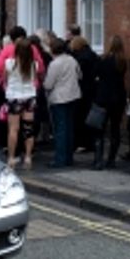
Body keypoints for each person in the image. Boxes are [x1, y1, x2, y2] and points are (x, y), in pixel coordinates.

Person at [94, 35, 130, 169]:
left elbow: (96, 75)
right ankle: (111, 160)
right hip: (118, 97)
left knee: (99, 129)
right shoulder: (122, 61)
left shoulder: (103, 59)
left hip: (103, 97)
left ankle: (98, 160)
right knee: (115, 128)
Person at [44, 37, 82, 167]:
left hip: (59, 98)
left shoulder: (54, 64)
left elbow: (48, 84)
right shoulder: (72, 60)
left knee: (60, 129)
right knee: (69, 128)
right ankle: (69, 158)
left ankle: (60, 159)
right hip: (73, 95)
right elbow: (80, 75)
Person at [4, 35, 40, 169]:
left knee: (13, 129)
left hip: (14, 97)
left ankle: (11, 157)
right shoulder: (34, 64)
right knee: (28, 129)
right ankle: (28, 157)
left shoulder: (9, 63)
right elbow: (35, 79)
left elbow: (5, 79)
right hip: (29, 96)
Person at [71, 34, 100, 154]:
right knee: (89, 117)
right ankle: (90, 142)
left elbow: (78, 75)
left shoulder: (80, 58)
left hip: (82, 90)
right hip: (92, 90)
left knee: (80, 117)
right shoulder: (93, 55)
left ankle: (82, 143)